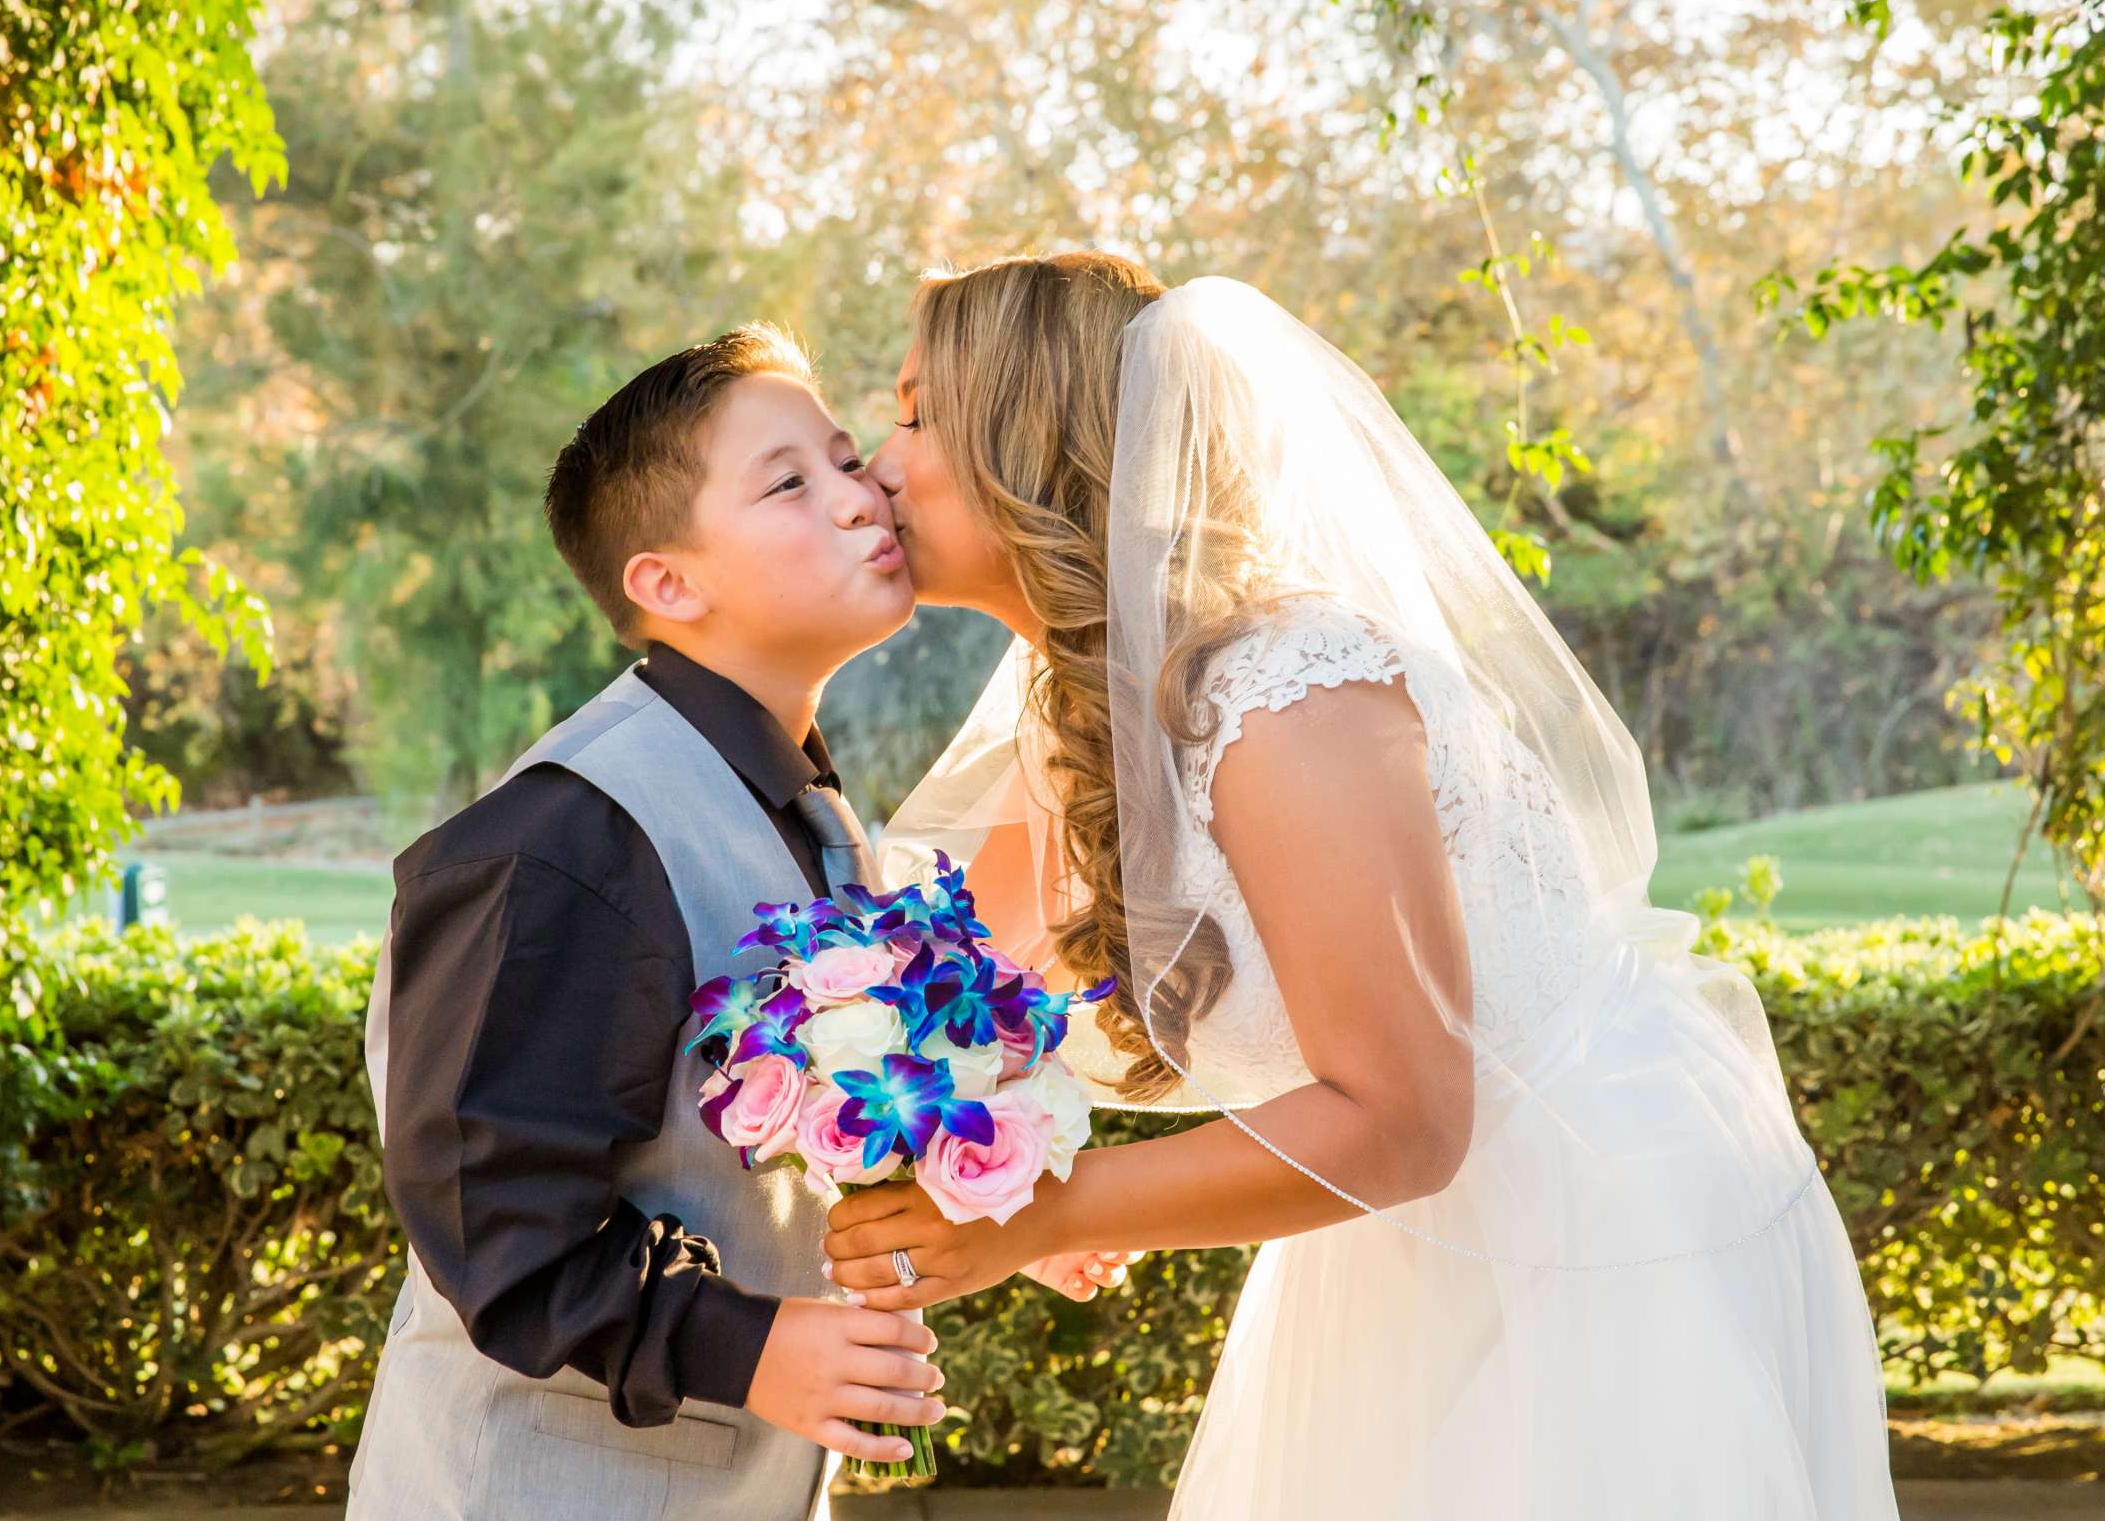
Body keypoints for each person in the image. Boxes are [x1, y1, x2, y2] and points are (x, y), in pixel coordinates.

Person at [822, 254, 1901, 1518]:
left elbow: (1405, 1117)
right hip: (1388, 1251)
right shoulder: (1081, 719)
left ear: (1031, 436)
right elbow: (959, 1000)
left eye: (915, 414)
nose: (878, 465)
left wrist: (1048, 1217)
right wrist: (966, 1157)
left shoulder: (1285, 692)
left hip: (1583, 1256)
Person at [348, 324, 942, 1521]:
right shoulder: (568, 837)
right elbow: (499, 1224)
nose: (859, 494)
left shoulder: (802, 802)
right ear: (668, 583)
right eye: (790, 481)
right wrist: (753, 1346)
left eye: (844, 456)